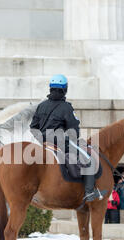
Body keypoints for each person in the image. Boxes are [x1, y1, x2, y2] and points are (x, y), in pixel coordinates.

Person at [30, 74, 107, 203]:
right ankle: (89, 192)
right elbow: (74, 131)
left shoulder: (41, 106)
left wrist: (41, 139)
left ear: (51, 88)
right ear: (65, 89)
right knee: (88, 160)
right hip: (59, 142)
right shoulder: (66, 107)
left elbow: (33, 127)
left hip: (41, 142)